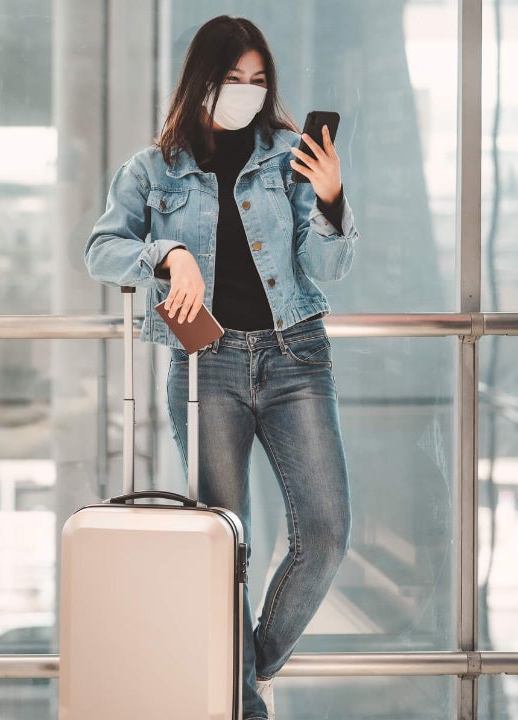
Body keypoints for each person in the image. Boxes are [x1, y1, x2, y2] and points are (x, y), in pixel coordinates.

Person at [83, 15, 357, 720]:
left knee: (325, 534)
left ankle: (246, 669)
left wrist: (330, 198)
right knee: (224, 543)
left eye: (258, 79)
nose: (246, 91)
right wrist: (166, 256)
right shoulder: (153, 168)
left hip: (296, 356)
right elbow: (101, 249)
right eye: (233, 79)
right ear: (200, 81)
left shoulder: (292, 154)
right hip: (206, 368)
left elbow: (328, 266)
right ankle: (244, 707)